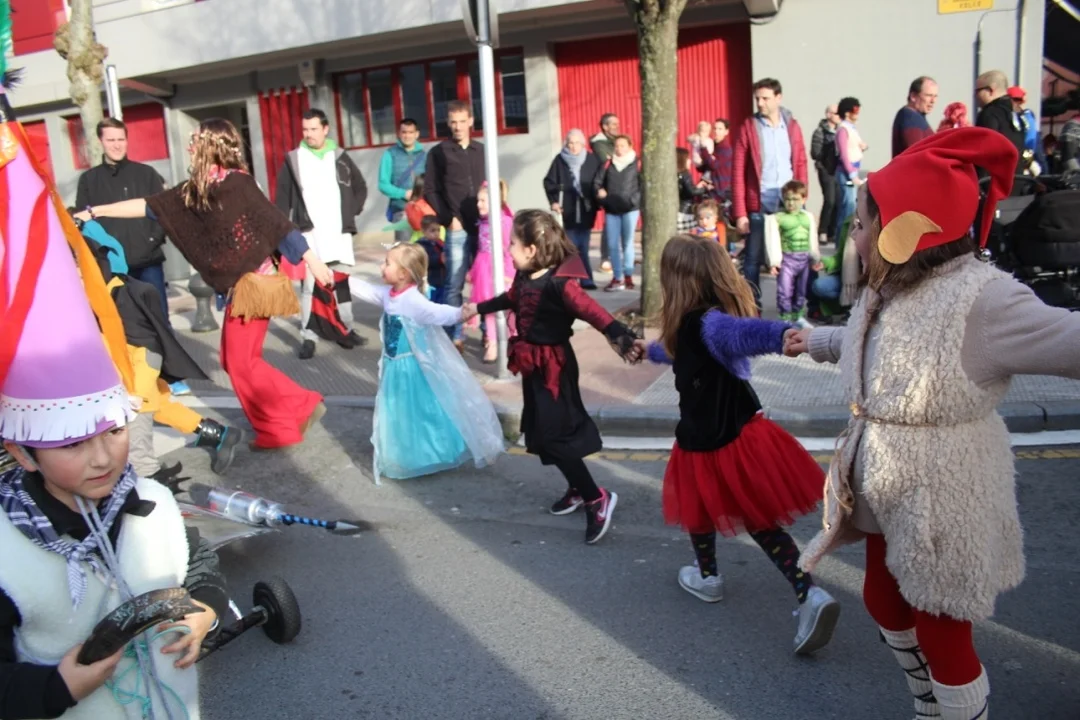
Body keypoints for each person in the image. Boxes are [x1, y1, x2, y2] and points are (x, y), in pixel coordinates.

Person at [785, 127, 1080, 719]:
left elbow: (1068, 339)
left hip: (944, 492)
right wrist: (816, 341)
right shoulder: (890, 285)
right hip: (885, 477)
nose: (854, 235)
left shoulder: (984, 299)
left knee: (942, 630)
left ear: (904, 231)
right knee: (883, 601)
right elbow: (875, 344)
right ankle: (929, 703)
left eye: (863, 224)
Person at [0, 90, 228, 718]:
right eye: (73, 443)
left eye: (113, 431)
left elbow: (196, 559)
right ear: (22, 451)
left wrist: (205, 607)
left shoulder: (147, 501)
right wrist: (53, 690)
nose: (103, 458)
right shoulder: (6, 550)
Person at [76, 118, 335, 451]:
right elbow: (149, 206)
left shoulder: (238, 183)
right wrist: (95, 212)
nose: (189, 145)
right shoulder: (197, 189)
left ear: (212, 144)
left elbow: (277, 224)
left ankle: (292, 413)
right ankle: (289, 413)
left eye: (195, 140)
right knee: (234, 361)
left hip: (255, 285)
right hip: (238, 288)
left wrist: (313, 261)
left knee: (241, 363)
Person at [643, 235, 840, 654]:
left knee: (709, 508)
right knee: (737, 517)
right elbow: (674, 351)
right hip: (721, 435)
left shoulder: (710, 323)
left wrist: (783, 334)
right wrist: (645, 350)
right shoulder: (687, 327)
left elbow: (745, 333)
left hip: (719, 440)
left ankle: (726, 579)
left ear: (676, 279)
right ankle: (799, 591)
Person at [470, 210, 644, 544]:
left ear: (532, 249)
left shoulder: (560, 284)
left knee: (555, 435)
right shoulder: (525, 275)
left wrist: (622, 337)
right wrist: (477, 308)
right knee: (542, 431)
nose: (508, 249)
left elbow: (593, 312)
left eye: (512, 243)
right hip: (534, 366)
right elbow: (511, 298)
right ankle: (577, 489)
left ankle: (596, 498)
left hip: (556, 368)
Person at [78, 226, 243, 477]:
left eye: (80, 272)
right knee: (162, 406)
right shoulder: (94, 295)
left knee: (138, 448)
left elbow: (148, 348)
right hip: (126, 373)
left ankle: (152, 485)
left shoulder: (120, 295)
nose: (76, 280)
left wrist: (137, 392)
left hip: (138, 374)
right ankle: (219, 435)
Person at [347, 244, 504, 484]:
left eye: (387, 263)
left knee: (418, 410)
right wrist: (338, 278)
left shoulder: (413, 301)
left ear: (403, 273)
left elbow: (438, 312)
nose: (382, 266)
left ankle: (426, 453)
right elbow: (367, 290)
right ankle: (402, 454)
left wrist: (461, 313)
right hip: (393, 367)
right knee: (396, 411)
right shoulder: (389, 294)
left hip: (411, 369)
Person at [274, 108, 368, 360]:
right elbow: (282, 197)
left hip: (338, 233)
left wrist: (350, 212)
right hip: (309, 235)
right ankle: (309, 336)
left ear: (325, 129)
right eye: (305, 129)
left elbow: (360, 187)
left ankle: (346, 329)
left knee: (341, 282)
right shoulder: (294, 159)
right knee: (309, 287)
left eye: (314, 129)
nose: (309, 134)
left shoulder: (340, 156)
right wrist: (283, 230)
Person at [75, 118, 171, 323]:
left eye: (121, 139)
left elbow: (163, 212)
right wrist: (102, 254)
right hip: (112, 267)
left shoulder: (146, 173)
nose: (117, 145)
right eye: (111, 140)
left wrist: (152, 241)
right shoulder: (89, 180)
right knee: (121, 324)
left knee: (160, 321)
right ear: (101, 141)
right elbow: (85, 224)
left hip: (148, 263)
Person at [732, 78, 809, 308]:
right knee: (753, 259)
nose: (760, 103)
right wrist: (740, 213)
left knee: (795, 257)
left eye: (765, 98)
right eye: (757, 98)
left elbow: (801, 162)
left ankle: (792, 309)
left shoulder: (791, 126)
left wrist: (802, 195)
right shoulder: (749, 127)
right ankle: (752, 306)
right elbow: (737, 170)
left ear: (778, 98)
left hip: (789, 202)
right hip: (760, 201)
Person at [423, 100, 486, 351]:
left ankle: (489, 334)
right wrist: (449, 219)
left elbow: (492, 184)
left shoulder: (482, 150)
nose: (458, 127)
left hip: (483, 226)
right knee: (454, 284)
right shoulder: (439, 152)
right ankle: (455, 336)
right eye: (453, 122)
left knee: (485, 282)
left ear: (471, 121)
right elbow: (430, 189)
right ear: (448, 123)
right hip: (457, 228)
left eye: (462, 121)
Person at [544, 129, 601, 290]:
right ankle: (572, 281)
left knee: (583, 247)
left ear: (582, 144)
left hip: (586, 210)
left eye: (577, 143)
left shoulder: (591, 159)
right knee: (571, 247)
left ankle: (585, 280)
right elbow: (549, 182)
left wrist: (599, 197)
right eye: (570, 143)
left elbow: (599, 180)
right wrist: (554, 201)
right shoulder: (560, 160)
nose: (573, 146)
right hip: (567, 210)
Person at [468, 180, 516, 363]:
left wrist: (508, 274)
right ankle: (492, 343)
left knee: (509, 308)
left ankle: (514, 340)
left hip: (501, 270)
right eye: (478, 200)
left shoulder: (505, 222)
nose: (478, 204)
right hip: (484, 270)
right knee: (488, 308)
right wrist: (473, 271)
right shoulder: (483, 222)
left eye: (483, 201)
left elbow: (509, 249)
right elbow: (481, 248)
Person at [764, 180, 821, 325]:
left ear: (804, 199)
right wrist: (774, 262)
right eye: (787, 199)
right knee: (784, 290)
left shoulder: (808, 217)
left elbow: (813, 238)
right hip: (787, 260)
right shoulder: (778, 218)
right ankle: (785, 317)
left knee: (801, 290)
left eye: (795, 199)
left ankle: (797, 315)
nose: (791, 203)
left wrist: (815, 258)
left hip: (804, 259)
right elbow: (772, 240)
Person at [593, 135, 641, 292]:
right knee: (613, 244)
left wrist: (633, 200)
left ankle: (628, 275)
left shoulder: (637, 163)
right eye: (617, 146)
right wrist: (602, 196)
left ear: (630, 146)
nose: (619, 149)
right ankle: (617, 277)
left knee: (628, 243)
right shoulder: (608, 163)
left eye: (623, 145)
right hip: (612, 209)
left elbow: (643, 186)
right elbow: (597, 183)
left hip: (630, 209)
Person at [378, 118, 427, 243]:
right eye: (404, 132)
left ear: (417, 134)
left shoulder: (423, 155)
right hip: (401, 210)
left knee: (425, 249)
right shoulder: (390, 154)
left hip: (423, 209)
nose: (407, 136)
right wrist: (403, 194)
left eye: (411, 132)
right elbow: (383, 184)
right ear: (399, 134)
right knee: (404, 249)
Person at [975, 70, 1026, 173]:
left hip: (994, 179)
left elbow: (985, 152)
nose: (975, 95)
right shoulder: (1016, 113)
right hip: (1017, 177)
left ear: (991, 90)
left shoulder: (989, 113)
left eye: (977, 91)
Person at [833, 97, 866, 245]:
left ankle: (844, 244)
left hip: (852, 171)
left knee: (850, 210)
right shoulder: (843, 129)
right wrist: (852, 175)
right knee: (847, 211)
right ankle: (841, 245)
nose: (858, 114)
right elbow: (844, 154)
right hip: (847, 173)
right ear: (847, 113)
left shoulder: (851, 128)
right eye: (855, 110)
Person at [590, 112, 620, 272]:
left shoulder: (616, 141)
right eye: (613, 124)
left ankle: (616, 256)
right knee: (610, 223)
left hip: (622, 185)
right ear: (605, 126)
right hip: (608, 187)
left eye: (617, 124)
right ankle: (605, 258)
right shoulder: (599, 143)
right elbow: (608, 160)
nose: (617, 127)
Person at [811, 105, 839, 245]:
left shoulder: (841, 130)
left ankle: (832, 231)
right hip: (826, 170)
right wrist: (830, 149)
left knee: (838, 200)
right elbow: (815, 153)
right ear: (828, 114)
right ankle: (822, 231)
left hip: (838, 170)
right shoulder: (820, 132)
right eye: (836, 113)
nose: (839, 116)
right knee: (830, 200)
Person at [891, 76, 937, 158]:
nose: (933, 101)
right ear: (913, 96)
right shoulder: (910, 118)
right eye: (929, 95)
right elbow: (916, 155)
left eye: (935, 96)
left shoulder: (916, 117)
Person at [1008, 86, 1046, 174]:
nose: (1016, 103)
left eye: (1018, 100)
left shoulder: (1027, 115)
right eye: (1014, 100)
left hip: (1030, 152)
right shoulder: (1011, 116)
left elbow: (1033, 138)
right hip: (1023, 155)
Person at [698, 118, 733, 206]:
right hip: (709, 188)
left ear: (726, 132)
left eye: (720, 129)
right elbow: (703, 168)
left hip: (719, 191)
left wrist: (703, 149)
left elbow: (714, 165)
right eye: (714, 128)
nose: (716, 131)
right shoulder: (711, 145)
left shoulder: (725, 148)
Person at [417, 215, 447, 303]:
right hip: (429, 282)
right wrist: (439, 259)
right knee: (430, 302)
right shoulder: (421, 245)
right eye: (432, 230)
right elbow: (425, 260)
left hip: (441, 281)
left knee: (441, 302)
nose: (436, 233)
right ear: (423, 231)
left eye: (438, 230)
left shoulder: (440, 244)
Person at [677, 147, 707, 233]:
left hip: (679, 209)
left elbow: (685, 190)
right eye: (688, 159)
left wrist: (697, 187)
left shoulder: (678, 174)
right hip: (686, 210)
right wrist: (705, 189)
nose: (690, 161)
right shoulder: (685, 174)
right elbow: (692, 191)